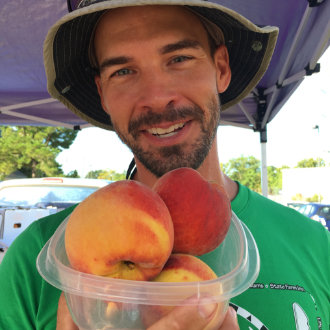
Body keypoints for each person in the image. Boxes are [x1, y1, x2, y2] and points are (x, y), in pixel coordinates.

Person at [0, 0, 329, 329]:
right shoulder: (35, 259)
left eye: (179, 58)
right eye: (123, 71)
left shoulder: (315, 246)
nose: (157, 97)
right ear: (103, 93)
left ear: (221, 68)